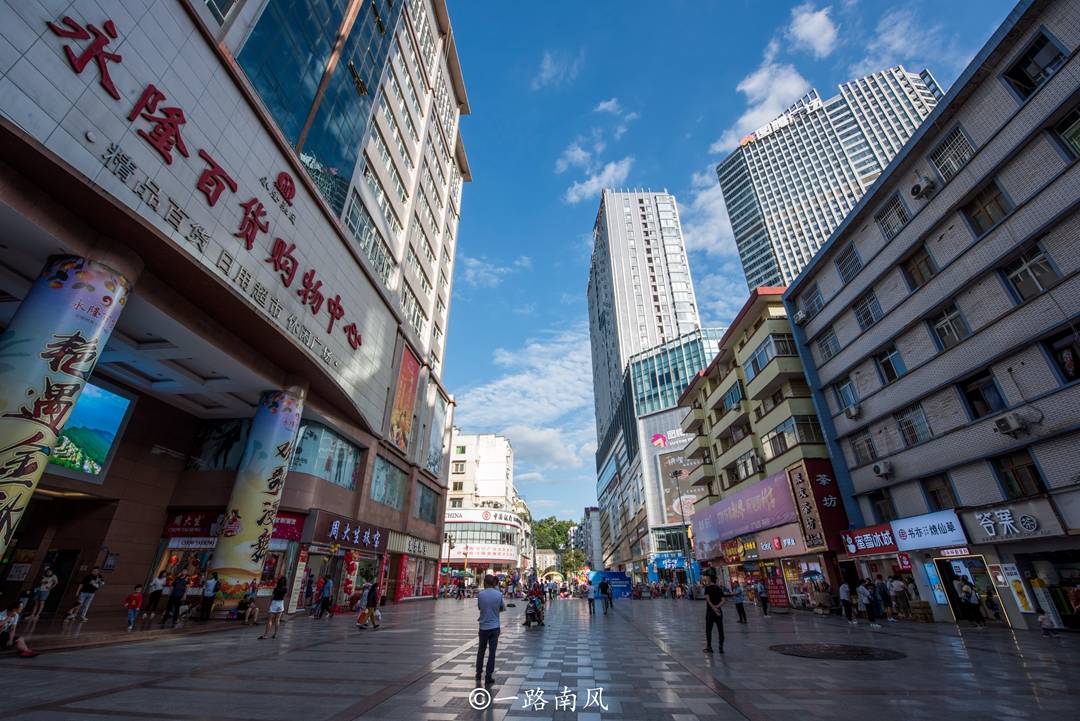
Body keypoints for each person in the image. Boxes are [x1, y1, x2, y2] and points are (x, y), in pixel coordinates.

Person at [475, 574, 505, 687]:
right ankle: (488, 676)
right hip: (494, 627)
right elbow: (502, 608)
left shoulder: (481, 594)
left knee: (481, 651)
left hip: (483, 627)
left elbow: (479, 607)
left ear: (485, 582)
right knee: (492, 653)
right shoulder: (499, 594)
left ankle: (478, 673)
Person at [703, 571, 725, 653]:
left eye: (708, 578)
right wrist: (717, 607)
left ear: (710, 580)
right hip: (719, 612)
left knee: (708, 630)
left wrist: (713, 608)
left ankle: (709, 647)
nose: (707, 579)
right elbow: (723, 600)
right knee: (720, 630)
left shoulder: (707, 588)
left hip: (710, 612)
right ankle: (721, 647)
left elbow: (707, 599)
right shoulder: (719, 588)